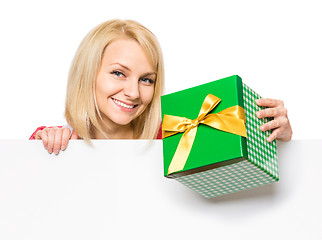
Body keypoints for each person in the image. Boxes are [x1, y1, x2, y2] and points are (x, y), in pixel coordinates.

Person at [30, 19, 292, 154]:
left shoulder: (177, 139)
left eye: (146, 79)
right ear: (87, 75)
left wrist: (279, 139)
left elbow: (231, 162)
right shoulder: (63, 140)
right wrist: (45, 145)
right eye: (119, 73)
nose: (133, 93)